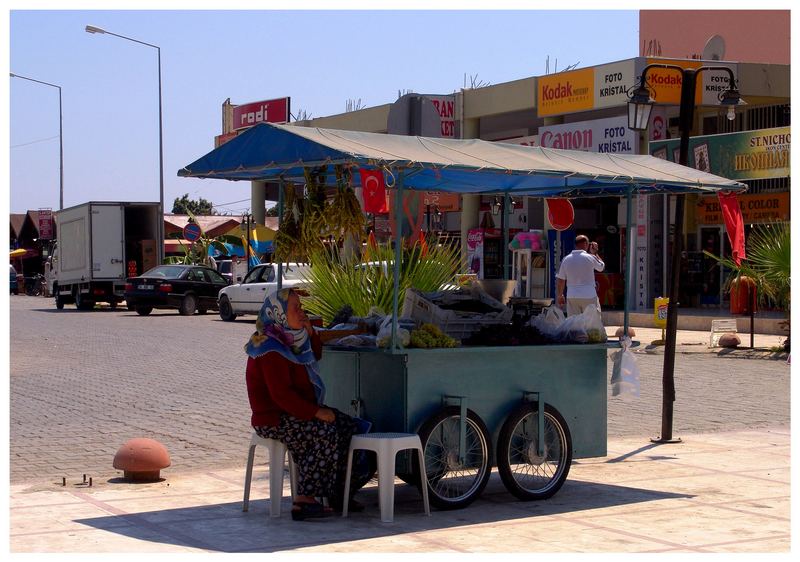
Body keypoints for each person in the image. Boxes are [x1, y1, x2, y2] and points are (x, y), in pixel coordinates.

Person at [245, 288, 370, 521]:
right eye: (295, 308)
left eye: (301, 307)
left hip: (295, 411)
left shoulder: (292, 338)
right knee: (323, 431)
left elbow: (315, 355)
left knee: (353, 428)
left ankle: (339, 492)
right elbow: (281, 395)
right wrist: (316, 412)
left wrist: (311, 332)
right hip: (274, 418)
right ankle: (305, 500)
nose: (301, 312)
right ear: (279, 313)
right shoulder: (269, 347)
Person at [555, 234, 605, 316]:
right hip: (589, 295)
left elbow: (561, 280)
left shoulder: (566, 259)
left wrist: (560, 295)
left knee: (573, 322)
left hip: (572, 295)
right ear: (586, 244)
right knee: (591, 322)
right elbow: (601, 267)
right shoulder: (591, 257)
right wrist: (595, 253)